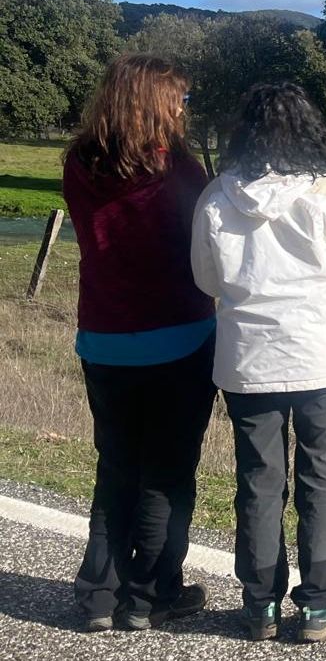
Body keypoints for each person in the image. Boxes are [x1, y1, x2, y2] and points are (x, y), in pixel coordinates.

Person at [190, 82, 326, 643]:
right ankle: (320, 604)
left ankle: (259, 604)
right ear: (308, 128)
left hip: (248, 360)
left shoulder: (216, 195)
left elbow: (207, 279)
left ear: (243, 133)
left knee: (257, 480)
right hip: (323, 357)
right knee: (322, 479)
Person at [63, 54, 217, 633]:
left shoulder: (80, 161)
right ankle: (152, 595)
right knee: (168, 474)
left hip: (103, 337)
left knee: (117, 466)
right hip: (178, 333)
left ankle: (99, 593)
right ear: (156, 103)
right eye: (179, 99)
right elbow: (204, 237)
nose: (183, 109)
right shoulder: (175, 167)